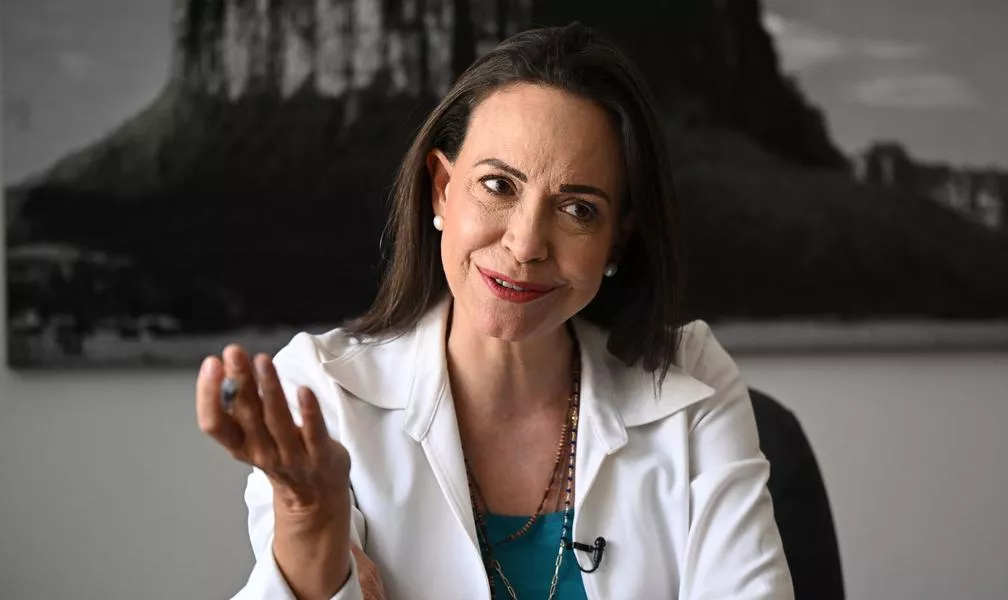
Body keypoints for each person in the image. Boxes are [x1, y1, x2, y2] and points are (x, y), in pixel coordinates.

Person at [195, 23, 794, 600]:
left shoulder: (693, 381)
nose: (526, 243)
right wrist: (309, 517)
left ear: (617, 240)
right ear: (442, 190)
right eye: (499, 186)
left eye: (579, 209)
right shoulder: (322, 394)